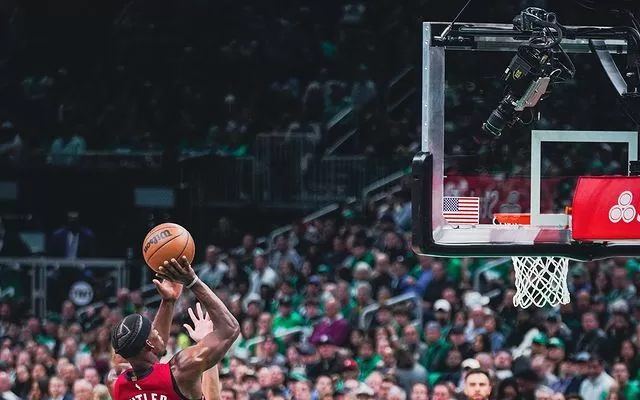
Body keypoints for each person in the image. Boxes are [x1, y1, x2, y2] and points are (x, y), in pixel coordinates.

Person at [111, 256, 240, 400]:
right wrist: (192, 281)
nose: (157, 331)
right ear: (148, 343)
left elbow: (150, 357)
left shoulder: (117, 384)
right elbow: (230, 329)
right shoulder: (180, 369)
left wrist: (168, 302)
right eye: (153, 331)